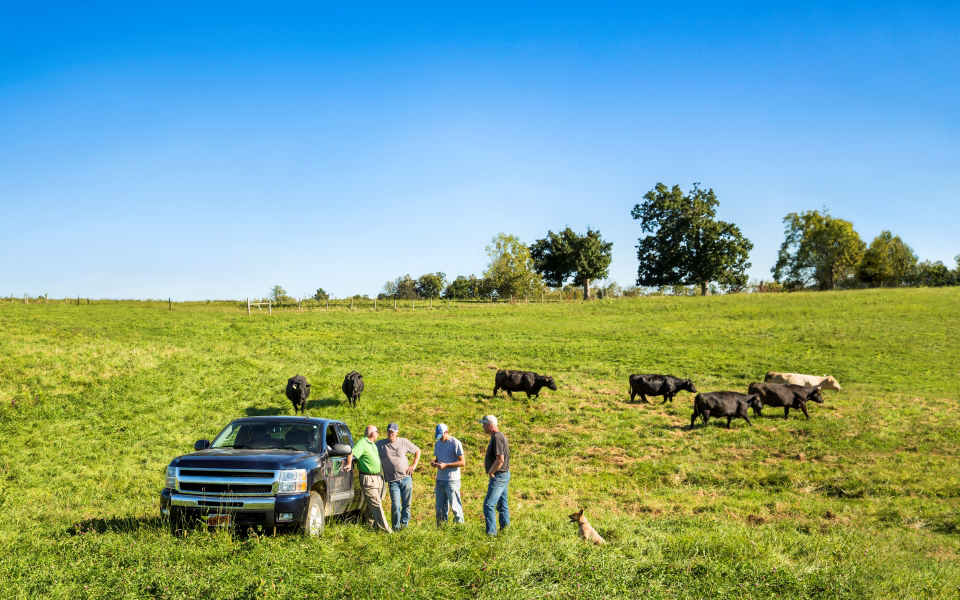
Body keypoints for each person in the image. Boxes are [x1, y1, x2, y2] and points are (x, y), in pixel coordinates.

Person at [344, 425, 392, 533]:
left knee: (372, 504)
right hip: (368, 478)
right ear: (372, 433)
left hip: (377, 478)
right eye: (377, 431)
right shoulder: (362, 443)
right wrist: (348, 463)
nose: (378, 433)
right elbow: (351, 452)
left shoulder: (372, 445)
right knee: (376, 504)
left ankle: (369, 527)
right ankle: (386, 530)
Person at [375, 422, 421, 531]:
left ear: (397, 432)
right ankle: (396, 527)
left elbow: (417, 450)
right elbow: (369, 446)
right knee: (395, 505)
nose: (390, 434)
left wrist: (414, 465)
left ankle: (404, 525)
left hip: (406, 478)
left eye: (393, 432)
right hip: (392, 480)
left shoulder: (403, 442)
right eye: (389, 432)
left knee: (406, 504)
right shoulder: (380, 444)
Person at [479, 414, 510, 535]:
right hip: (504, 475)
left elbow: (500, 459)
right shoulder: (499, 436)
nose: (482, 426)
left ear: (490, 425)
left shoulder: (496, 438)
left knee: (488, 505)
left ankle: (491, 534)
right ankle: (505, 531)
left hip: (499, 476)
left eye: (483, 424)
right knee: (502, 505)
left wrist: (491, 471)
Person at [429, 423, 465, 526]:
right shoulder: (438, 444)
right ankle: (441, 528)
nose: (440, 438)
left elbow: (462, 462)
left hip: (452, 480)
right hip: (440, 479)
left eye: (442, 435)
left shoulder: (455, 443)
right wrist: (434, 463)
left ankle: (460, 527)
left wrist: (446, 465)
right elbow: (438, 459)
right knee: (440, 506)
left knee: (455, 505)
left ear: (446, 432)